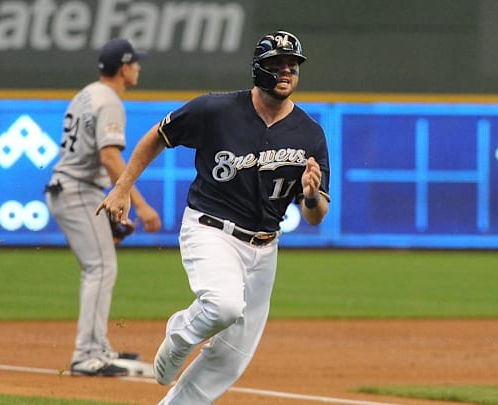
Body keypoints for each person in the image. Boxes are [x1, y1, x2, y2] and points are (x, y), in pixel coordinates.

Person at [96, 30, 330, 403]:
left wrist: (312, 195)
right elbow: (158, 135)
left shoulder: (310, 134)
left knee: (231, 358)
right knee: (223, 305)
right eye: (277, 64)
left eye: (293, 65)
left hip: (265, 248)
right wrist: (122, 187)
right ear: (258, 68)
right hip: (211, 229)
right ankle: (178, 336)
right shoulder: (215, 110)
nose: (287, 71)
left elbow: (316, 216)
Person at [45, 38, 162, 377]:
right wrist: (137, 203)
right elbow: (109, 156)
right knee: (100, 268)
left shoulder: (87, 93)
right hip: (77, 189)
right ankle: (87, 355)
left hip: (73, 188)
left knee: (100, 266)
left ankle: (97, 347)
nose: (138, 67)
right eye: (135, 62)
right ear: (124, 68)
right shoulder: (109, 101)